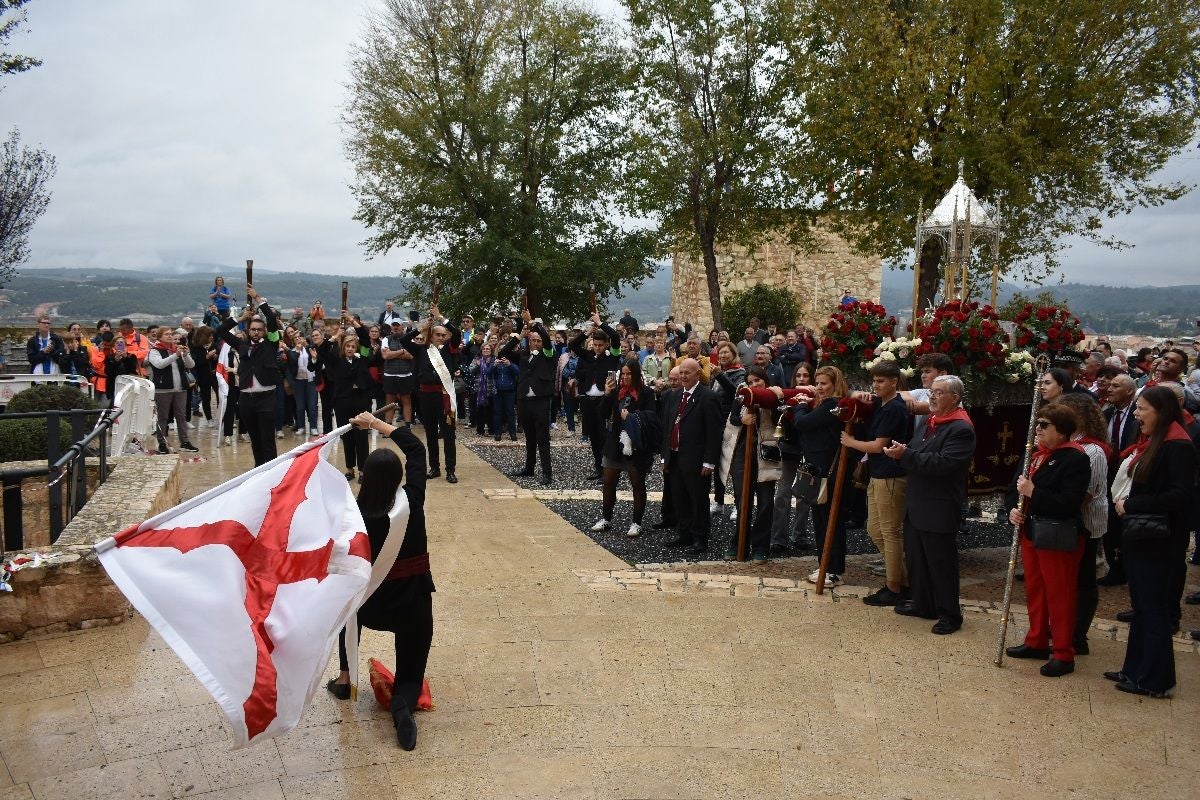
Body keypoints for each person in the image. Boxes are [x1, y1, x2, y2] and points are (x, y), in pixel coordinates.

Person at [326, 411, 433, 751]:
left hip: (370, 607)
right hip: (412, 605)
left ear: (365, 479)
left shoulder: (354, 516)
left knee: (347, 604)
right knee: (411, 674)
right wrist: (375, 423)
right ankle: (402, 702)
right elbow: (417, 450)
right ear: (400, 477)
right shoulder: (412, 501)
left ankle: (346, 678)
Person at [1106, 386, 1197, 697]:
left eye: (1142, 408)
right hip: (1142, 537)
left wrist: (1131, 505)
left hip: (1160, 540)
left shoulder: (1178, 447)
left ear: (1162, 411)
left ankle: (1155, 679)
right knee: (1142, 608)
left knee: (1153, 608)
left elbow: (1179, 496)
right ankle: (1134, 668)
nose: (1136, 414)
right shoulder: (1155, 442)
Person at [1004, 403, 1091, 676]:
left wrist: (1033, 492)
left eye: (1044, 425)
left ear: (1062, 431)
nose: (1037, 429)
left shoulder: (1075, 458)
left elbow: (1069, 502)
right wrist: (1013, 509)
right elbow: (1013, 489)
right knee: (1036, 590)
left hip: (1057, 535)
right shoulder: (1034, 454)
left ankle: (1064, 653)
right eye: (1037, 424)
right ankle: (1036, 640)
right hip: (1032, 531)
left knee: (1060, 595)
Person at [884, 375, 976, 634]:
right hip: (917, 503)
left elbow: (944, 463)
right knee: (917, 559)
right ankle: (923, 604)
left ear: (954, 398)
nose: (932, 396)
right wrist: (903, 451)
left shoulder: (961, 428)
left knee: (940, 563)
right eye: (932, 392)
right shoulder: (932, 421)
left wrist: (907, 455)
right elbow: (918, 451)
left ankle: (950, 615)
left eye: (938, 392)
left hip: (938, 505)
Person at [841, 361, 910, 607]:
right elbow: (850, 394)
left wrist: (851, 442)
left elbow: (879, 445)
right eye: (874, 380)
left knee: (890, 532)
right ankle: (904, 580)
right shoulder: (882, 402)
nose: (876, 385)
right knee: (874, 530)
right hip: (879, 473)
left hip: (891, 474)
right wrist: (856, 395)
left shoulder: (895, 408)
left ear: (894, 382)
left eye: (881, 381)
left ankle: (894, 587)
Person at [1050, 393, 1111, 655]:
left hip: (1085, 522)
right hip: (1065, 521)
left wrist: (1050, 500)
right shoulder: (1066, 444)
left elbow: (1084, 494)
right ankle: (1063, 627)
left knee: (1083, 578)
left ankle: (1078, 634)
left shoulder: (1092, 450)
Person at [790, 366, 850, 587]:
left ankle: (833, 569)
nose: (819, 387)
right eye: (818, 383)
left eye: (824, 383)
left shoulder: (833, 405)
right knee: (821, 520)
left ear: (835, 384)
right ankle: (825, 564)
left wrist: (800, 405)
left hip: (828, 472)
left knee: (830, 521)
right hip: (819, 468)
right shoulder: (826, 404)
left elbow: (802, 423)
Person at [660, 358, 722, 555]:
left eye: (688, 372)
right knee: (679, 498)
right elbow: (667, 426)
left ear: (697, 374)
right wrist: (664, 456)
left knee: (698, 500)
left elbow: (714, 432)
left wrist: (709, 461)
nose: (683, 376)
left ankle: (700, 538)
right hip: (675, 457)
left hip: (696, 458)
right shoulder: (674, 396)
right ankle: (684, 533)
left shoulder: (708, 397)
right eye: (681, 372)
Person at [591, 360, 659, 538]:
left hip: (635, 444)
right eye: (623, 374)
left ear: (636, 374)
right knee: (608, 481)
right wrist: (607, 394)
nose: (626, 377)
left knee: (637, 483)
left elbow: (652, 417)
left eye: (629, 374)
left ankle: (636, 522)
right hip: (615, 442)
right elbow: (602, 414)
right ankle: (606, 518)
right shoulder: (616, 392)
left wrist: (632, 417)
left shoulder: (646, 392)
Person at [215, 286, 282, 467]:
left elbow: (271, 319)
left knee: (267, 439)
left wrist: (258, 298)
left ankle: (271, 471)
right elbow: (220, 331)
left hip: (267, 398)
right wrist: (240, 318)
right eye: (253, 329)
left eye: (259, 330)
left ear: (264, 331)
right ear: (249, 330)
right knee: (255, 439)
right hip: (246, 399)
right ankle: (258, 469)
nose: (256, 332)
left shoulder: (271, 343)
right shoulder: (241, 345)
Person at [725, 367, 782, 560]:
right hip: (743, 453)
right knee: (742, 501)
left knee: (765, 503)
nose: (754, 385)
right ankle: (739, 542)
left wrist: (774, 401)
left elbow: (780, 420)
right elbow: (732, 418)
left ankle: (760, 547)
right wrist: (743, 419)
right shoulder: (741, 394)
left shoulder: (773, 396)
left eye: (757, 380)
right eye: (750, 382)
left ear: (765, 381)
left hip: (767, 453)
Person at [400, 306, 461, 483]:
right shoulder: (421, 350)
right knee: (431, 433)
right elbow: (404, 340)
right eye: (437, 334)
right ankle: (434, 467)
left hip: (445, 397)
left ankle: (450, 470)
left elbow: (457, 333)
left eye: (443, 335)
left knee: (448, 434)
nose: (441, 337)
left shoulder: (450, 348)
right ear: (431, 335)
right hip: (426, 397)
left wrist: (440, 317)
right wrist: (422, 327)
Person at [499, 312, 557, 486]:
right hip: (524, 400)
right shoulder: (523, 355)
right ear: (529, 341)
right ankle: (529, 468)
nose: (536, 343)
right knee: (530, 437)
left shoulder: (548, 355)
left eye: (538, 341)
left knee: (542, 438)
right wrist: (519, 335)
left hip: (541, 401)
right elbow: (503, 352)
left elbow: (547, 339)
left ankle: (547, 472)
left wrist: (532, 323)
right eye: (533, 340)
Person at [1098, 373, 1140, 586]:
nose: (1109, 389)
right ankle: (1115, 567)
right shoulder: (1106, 414)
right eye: (1110, 385)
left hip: (1128, 477)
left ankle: (1129, 566)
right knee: (1110, 524)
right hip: (1108, 475)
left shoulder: (1137, 415)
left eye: (1116, 386)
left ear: (1130, 391)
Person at [569, 314, 622, 480]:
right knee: (592, 435)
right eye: (595, 345)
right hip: (588, 400)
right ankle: (598, 468)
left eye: (600, 345)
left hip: (604, 400)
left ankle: (608, 469)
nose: (597, 348)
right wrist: (587, 332)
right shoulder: (588, 355)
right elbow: (572, 345)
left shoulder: (612, 356)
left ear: (606, 345)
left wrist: (600, 323)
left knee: (604, 436)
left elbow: (615, 337)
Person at [770, 362, 815, 554]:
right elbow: (776, 419)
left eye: (805, 376)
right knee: (782, 493)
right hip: (789, 448)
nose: (802, 379)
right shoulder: (787, 396)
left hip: (808, 450)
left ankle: (800, 536)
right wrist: (782, 400)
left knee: (804, 495)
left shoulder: (817, 397)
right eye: (798, 376)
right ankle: (778, 538)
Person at [709, 341, 747, 519]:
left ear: (734, 354)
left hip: (731, 423)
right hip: (717, 422)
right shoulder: (720, 372)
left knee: (733, 466)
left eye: (726, 352)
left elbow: (736, 393)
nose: (723, 356)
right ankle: (719, 502)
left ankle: (739, 505)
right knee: (718, 464)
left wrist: (719, 376)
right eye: (720, 353)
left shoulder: (740, 373)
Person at [147, 328, 199, 454]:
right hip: (162, 389)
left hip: (180, 388)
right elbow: (159, 364)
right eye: (167, 334)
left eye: (171, 334)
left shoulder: (177, 349)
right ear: (160, 337)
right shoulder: (155, 351)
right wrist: (175, 355)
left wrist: (185, 354)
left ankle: (185, 442)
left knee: (181, 416)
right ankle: (162, 443)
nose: (170, 336)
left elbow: (191, 365)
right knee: (163, 417)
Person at [329, 335, 374, 481]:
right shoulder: (337, 361)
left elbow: (366, 343)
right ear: (343, 347)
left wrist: (357, 325)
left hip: (360, 402)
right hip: (343, 403)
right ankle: (350, 469)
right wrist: (334, 337)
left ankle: (362, 470)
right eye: (347, 346)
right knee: (347, 436)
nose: (350, 349)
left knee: (361, 437)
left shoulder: (362, 359)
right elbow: (323, 351)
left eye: (353, 346)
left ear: (356, 349)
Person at [283, 329, 320, 436]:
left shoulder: (309, 349)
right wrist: (298, 350)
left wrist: (313, 357)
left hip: (310, 380)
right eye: (296, 338)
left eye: (300, 337)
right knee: (300, 406)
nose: (298, 339)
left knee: (312, 405)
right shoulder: (291, 352)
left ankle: (313, 427)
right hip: (298, 381)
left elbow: (315, 362)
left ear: (303, 338)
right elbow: (292, 362)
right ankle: (301, 427)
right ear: (293, 341)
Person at [381, 320, 416, 426]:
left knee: (406, 401)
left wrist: (392, 353)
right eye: (394, 325)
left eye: (398, 325)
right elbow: (385, 356)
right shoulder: (386, 339)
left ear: (402, 326)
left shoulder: (409, 339)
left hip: (406, 374)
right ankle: (388, 426)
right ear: (391, 327)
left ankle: (407, 426)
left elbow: (411, 355)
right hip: (390, 375)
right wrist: (402, 351)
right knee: (390, 402)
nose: (395, 328)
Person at [189, 325, 217, 430]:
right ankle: (209, 419)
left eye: (212, 335)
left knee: (221, 395)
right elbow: (195, 364)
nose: (212, 337)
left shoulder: (215, 345)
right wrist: (207, 356)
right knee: (206, 398)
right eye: (209, 335)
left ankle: (221, 417)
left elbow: (221, 360)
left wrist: (216, 357)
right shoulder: (196, 347)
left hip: (215, 375)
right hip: (203, 376)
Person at [488, 351, 519, 441]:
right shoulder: (495, 362)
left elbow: (518, 372)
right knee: (497, 412)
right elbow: (488, 373)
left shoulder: (511, 362)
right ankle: (498, 433)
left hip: (510, 391)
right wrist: (494, 365)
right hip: (497, 391)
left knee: (510, 412)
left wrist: (509, 365)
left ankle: (513, 433)